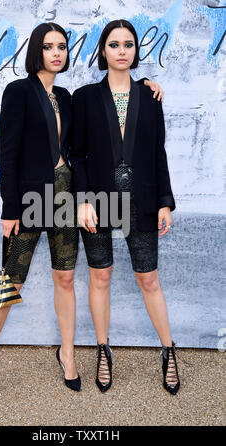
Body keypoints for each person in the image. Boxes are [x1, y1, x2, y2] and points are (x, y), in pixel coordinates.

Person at [0, 21, 165, 406]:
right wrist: (9, 209)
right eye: (48, 47)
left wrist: (147, 86)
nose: (56, 53)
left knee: (64, 278)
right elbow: (6, 154)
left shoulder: (66, 95)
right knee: (11, 282)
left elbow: (105, 108)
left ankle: (68, 354)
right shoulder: (19, 91)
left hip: (66, 197)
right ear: (36, 52)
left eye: (61, 46)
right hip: (29, 200)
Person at [69, 19, 180, 395]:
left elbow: (157, 153)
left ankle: (168, 350)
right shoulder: (83, 98)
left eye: (128, 44)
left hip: (144, 199)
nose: (121, 50)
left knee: (148, 278)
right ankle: (103, 350)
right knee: (101, 276)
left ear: (135, 50)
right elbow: (76, 155)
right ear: (103, 50)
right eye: (113, 44)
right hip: (98, 201)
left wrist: (165, 202)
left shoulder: (151, 96)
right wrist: (83, 199)